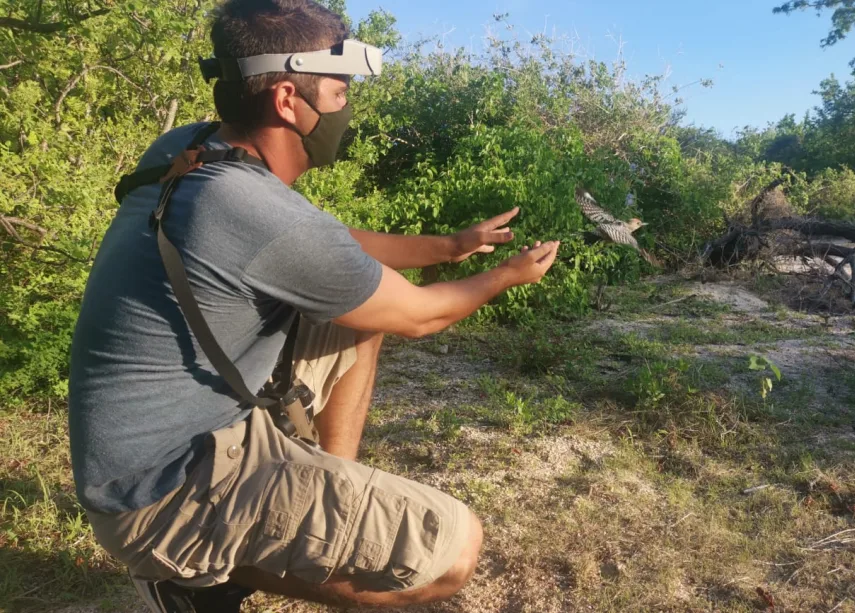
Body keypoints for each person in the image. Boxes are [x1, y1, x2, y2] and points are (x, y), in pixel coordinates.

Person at [67, 0, 560, 610]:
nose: (346, 108)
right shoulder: (252, 208)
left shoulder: (190, 147)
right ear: (285, 100)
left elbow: (325, 250)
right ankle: (193, 579)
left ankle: (326, 481)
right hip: (161, 496)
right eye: (338, 91)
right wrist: (506, 276)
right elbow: (422, 315)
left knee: (358, 314)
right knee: (452, 554)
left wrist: (451, 246)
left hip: (144, 455)